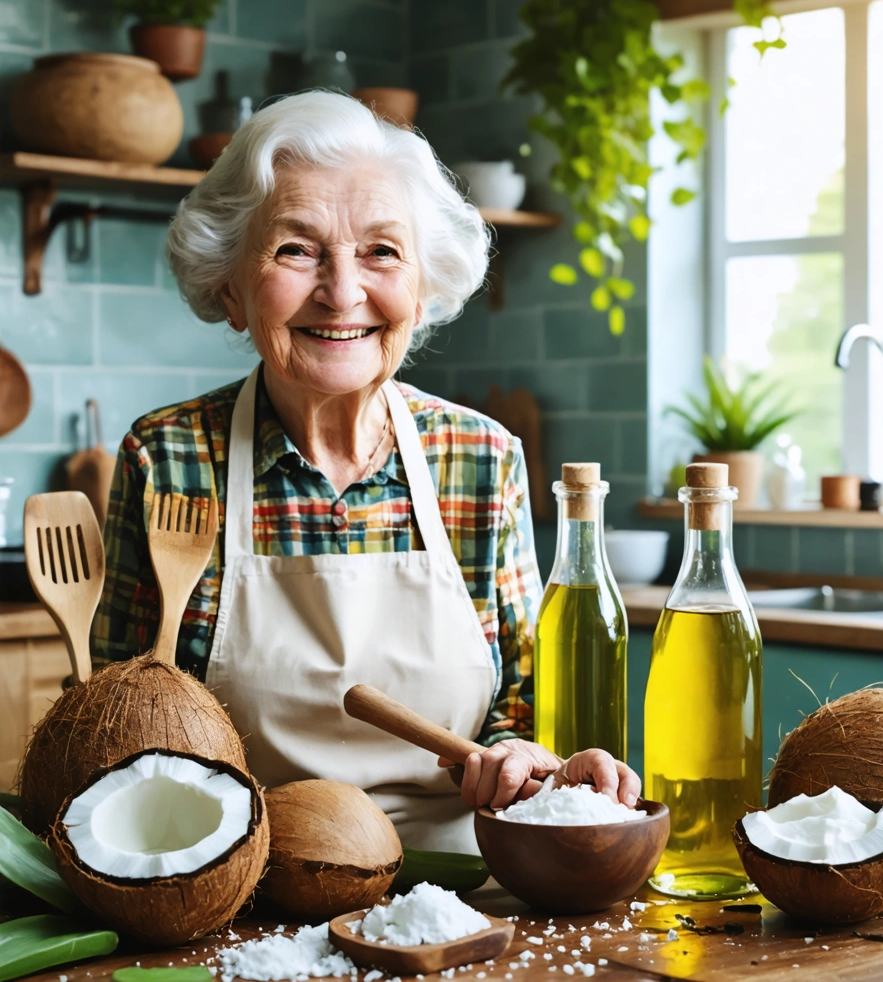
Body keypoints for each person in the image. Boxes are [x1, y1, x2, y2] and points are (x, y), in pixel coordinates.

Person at [92, 91, 640, 853]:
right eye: (296, 248)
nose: (343, 291)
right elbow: (117, 723)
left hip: (459, 892)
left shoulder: (481, 461)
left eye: (381, 251)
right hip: (236, 885)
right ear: (230, 289)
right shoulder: (170, 459)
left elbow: (519, 707)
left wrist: (524, 756)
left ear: (423, 287)